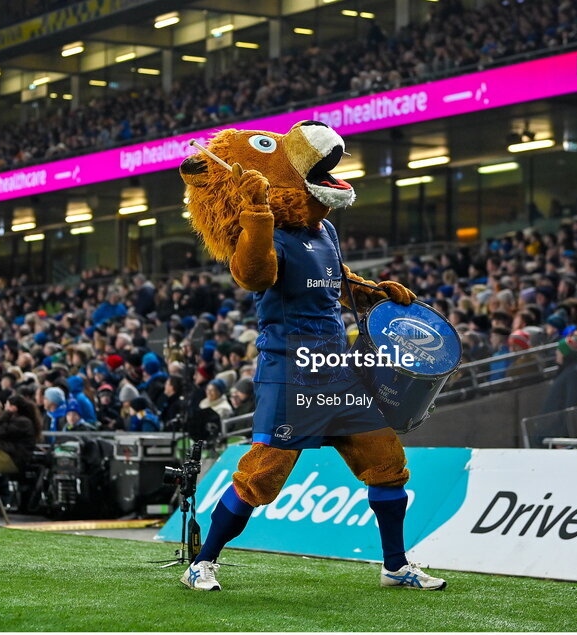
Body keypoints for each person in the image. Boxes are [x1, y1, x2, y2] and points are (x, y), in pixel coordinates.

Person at [177, 122, 444, 592]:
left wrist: (375, 293)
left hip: (337, 370)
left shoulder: (325, 233)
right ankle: (202, 563)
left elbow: (338, 283)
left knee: (386, 461)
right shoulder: (266, 233)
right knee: (261, 475)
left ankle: (395, 566)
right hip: (291, 372)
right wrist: (256, 213)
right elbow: (253, 276)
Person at [541, 332, 577, 414]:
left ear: (564, 353)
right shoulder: (569, 370)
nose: (556, 353)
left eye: (559, 350)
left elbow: (572, 405)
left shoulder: (576, 373)